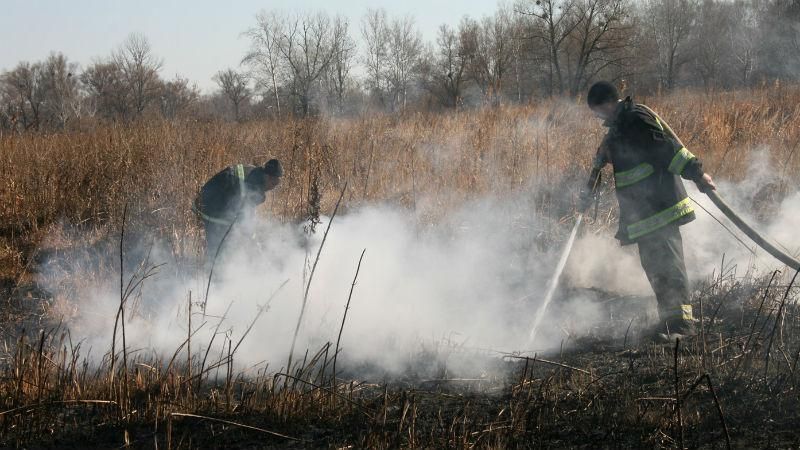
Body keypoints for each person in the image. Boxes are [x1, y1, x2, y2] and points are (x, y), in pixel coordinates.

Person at [582, 81, 716, 342]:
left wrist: (698, 174)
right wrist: (609, 154)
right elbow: (632, 155)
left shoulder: (636, 119)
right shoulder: (620, 127)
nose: (596, 117)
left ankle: (682, 326)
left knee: (668, 265)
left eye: (596, 110)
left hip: (660, 207)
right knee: (655, 268)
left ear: (607, 103)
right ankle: (669, 320)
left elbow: (668, 150)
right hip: (644, 214)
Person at [193, 159, 283, 259]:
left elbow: (247, 211)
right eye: (274, 183)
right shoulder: (251, 186)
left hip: (215, 202)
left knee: (230, 241)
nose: (273, 188)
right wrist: (254, 243)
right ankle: (213, 270)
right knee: (219, 248)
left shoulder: (255, 174)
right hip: (211, 207)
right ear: (268, 177)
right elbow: (245, 217)